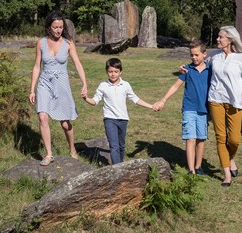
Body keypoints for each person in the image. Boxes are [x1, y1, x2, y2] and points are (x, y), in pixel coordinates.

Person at [29, 12, 88, 165]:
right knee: (42, 117)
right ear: (49, 27)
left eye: (61, 27)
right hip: (44, 83)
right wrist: (32, 89)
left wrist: (84, 84)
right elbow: (36, 66)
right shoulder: (41, 43)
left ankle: (72, 149)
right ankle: (49, 154)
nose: (58, 30)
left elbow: (78, 64)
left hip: (61, 84)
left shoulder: (68, 44)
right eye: (55, 27)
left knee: (65, 123)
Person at [206, 25, 242, 187]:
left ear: (230, 40)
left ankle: (230, 158)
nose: (217, 39)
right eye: (218, 37)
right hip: (215, 100)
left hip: (235, 102)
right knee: (221, 137)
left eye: (220, 37)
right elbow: (199, 61)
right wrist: (186, 68)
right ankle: (227, 174)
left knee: (234, 139)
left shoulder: (241, 57)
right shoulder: (214, 56)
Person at [154, 39, 211, 175]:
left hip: (204, 110)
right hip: (189, 109)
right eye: (191, 55)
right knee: (190, 138)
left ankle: (198, 166)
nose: (193, 57)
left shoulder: (211, 70)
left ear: (205, 54)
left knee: (201, 139)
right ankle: (191, 169)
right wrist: (163, 100)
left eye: (196, 55)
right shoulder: (187, 70)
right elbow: (175, 86)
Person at [83, 57, 154, 165]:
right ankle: (117, 169)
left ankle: (120, 165)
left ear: (120, 72)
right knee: (114, 145)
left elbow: (135, 99)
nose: (113, 74)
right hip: (109, 119)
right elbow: (95, 101)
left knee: (121, 145)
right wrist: (86, 99)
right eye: (110, 71)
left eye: (116, 72)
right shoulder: (103, 86)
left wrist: (151, 106)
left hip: (123, 119)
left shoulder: (125, 85)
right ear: (107, 72)